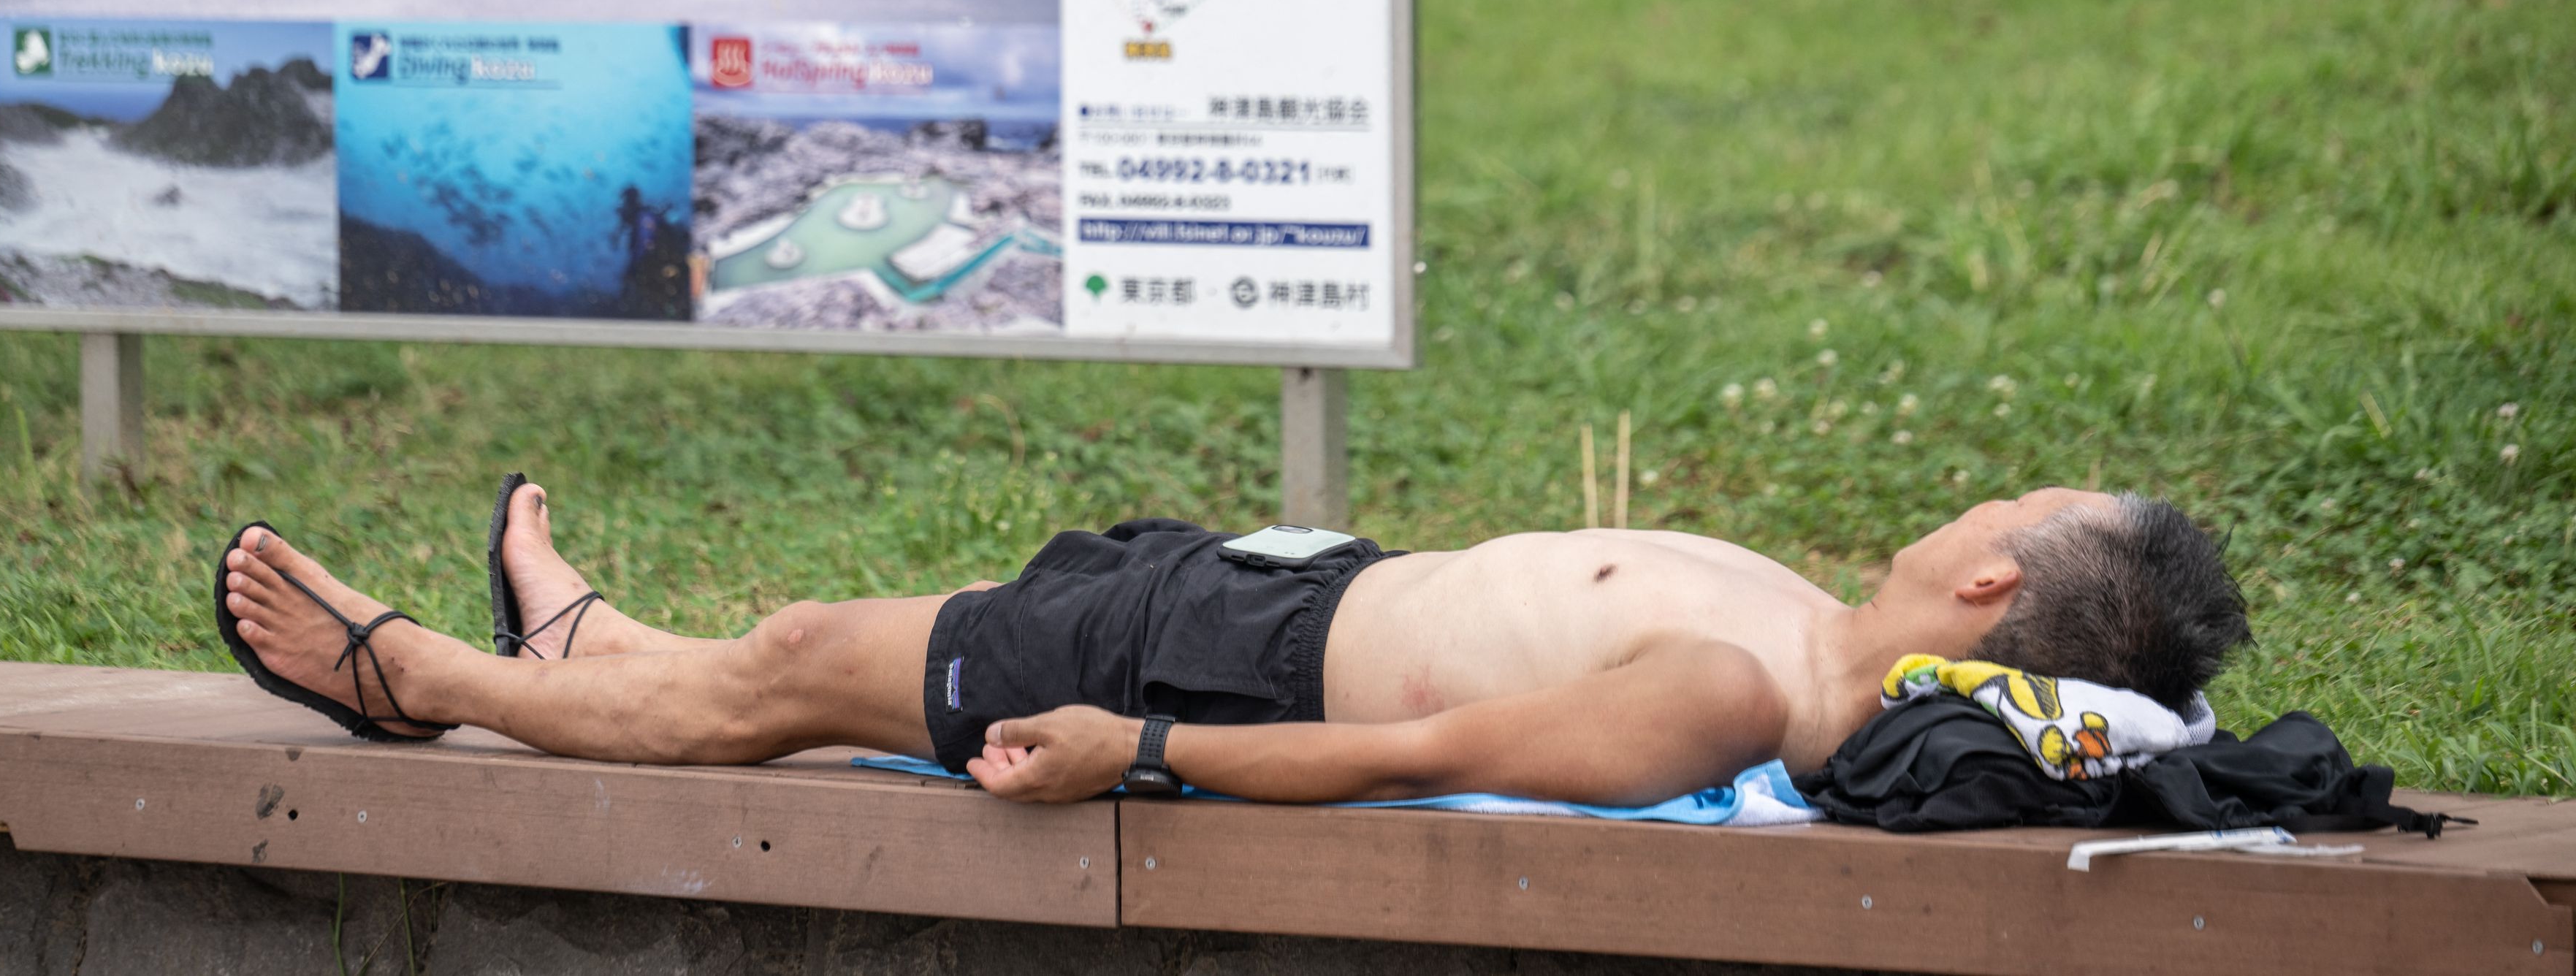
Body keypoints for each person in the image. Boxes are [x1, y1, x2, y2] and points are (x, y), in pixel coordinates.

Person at [216, 483, 2247, 807]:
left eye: (2020, 505)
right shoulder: (1805, 619)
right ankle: (582, 637)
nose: (1983, 496)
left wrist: (1145, 752)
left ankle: (429, 681)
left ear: (1990, 586)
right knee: (814, 641)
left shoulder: (1751, 688)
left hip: (1229, 674)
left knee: (795, 678)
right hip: (1265, 597)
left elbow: (1413, 755)